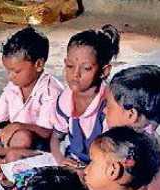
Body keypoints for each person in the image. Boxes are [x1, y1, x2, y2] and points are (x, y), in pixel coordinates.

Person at [0, 26, 63, 168]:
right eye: (8, 71)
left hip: (36, 144)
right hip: (9, 137)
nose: (10, 76)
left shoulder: (51, 91)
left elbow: (47, 133)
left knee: (23, 137)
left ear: (38, 64)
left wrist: (17, 126)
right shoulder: (13, 86)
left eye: (16, 71)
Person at [35, 25, 121, 165]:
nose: (75, 74)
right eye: (69, 66)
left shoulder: (109, 106)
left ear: (104, 71)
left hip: (103, 167)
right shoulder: (64, 100)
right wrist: (61, 159)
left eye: (86, 68)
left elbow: (112, 157)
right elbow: (56, 137)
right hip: (75, 161)